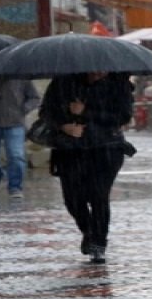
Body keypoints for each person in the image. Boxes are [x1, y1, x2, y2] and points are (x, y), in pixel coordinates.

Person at [37, 72, 136, 264]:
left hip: (106, 147)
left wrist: (86, 112)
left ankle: (99, 243)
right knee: (73, 199)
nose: (99, 73)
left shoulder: (118, 83)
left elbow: (122, 116)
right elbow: (46, 112)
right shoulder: (63, 81)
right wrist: (64, 126)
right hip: (71, 149)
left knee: (98, 196)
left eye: (103, 69)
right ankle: (89, 231)